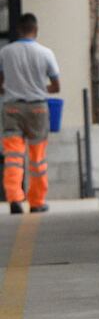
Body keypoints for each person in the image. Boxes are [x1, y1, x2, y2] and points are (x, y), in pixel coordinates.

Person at [0, 13, 60, 214]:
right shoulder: (45, 53)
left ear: (18, 30)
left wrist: (8, 90)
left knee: (13, 156)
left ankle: (15, 198)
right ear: (36, 30)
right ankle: (36, 202)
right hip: (37, 109)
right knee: (37, 158)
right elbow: (56, 85)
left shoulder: (5, 52)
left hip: (12, 108)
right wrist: (39, 89)